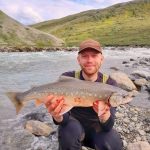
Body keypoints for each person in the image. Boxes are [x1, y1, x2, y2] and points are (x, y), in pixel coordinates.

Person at [43, 39, 123, 150]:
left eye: (94, 56)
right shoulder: (68, 79)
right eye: (84, 56)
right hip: (72, 128)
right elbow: (63, 120)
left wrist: (105, 116)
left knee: (113, 143)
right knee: (68, 135)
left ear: (101, 59)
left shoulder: (110, 84)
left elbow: (108, 126)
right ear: (78, 60)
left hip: (97, 131)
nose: (89, 60)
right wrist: (57, 115)